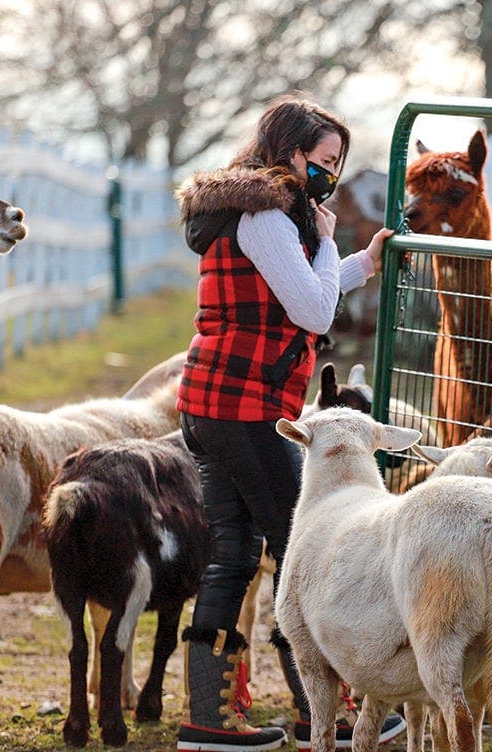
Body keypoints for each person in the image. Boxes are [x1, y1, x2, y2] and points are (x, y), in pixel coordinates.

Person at [174, 94, 403, 752]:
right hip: (245, 409)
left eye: (338, 163)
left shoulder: (249, 212)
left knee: (234, 556)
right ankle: (324, 714)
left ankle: (211, 720)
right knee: (301, 551)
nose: (330, 174)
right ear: (290, 153)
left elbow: (299, 290)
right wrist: (330, 243)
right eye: (323, 160)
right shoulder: (268, 216)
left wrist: (362, 262)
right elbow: (313, 310)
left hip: (214, 403)